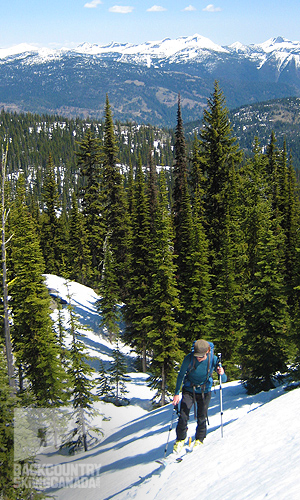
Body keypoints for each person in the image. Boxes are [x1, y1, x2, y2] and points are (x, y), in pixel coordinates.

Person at [172, 339, 227, 453]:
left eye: (201, 356)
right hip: (189, 389)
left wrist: (222, 373)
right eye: (197, 356)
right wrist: (177, 393)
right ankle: (180, 439)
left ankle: (200, 439)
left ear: (207, 351)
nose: (198, 358)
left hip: (204, 390)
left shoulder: (213, 359)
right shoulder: (189, 358)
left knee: (202, 416)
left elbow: (224, 379)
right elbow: (181, 375)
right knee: (183, 415)